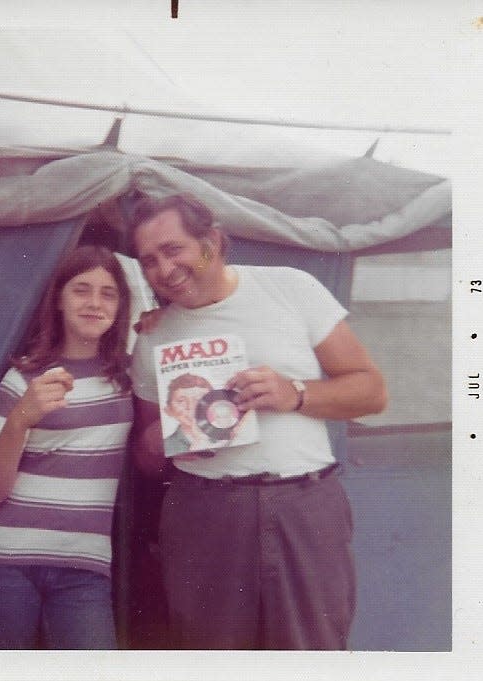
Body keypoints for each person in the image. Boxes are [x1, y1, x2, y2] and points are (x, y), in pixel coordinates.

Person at [128, 193, 388, 650]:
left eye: (173, 250)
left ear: (212, 242)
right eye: (149, 260)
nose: (164, 270)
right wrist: (158, 440)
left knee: (313, 652)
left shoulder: (291, 287)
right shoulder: (153, 335)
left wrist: (297, 394)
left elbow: (372, 391)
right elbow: (148, 460)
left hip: (303, 505)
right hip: (203, 511)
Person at [0, 245, 133, 650]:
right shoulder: (22, 378)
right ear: (58, 299)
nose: (95, 302)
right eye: (81, 289)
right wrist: (21, 417)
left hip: (84, 567)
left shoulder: (130, 377)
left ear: (120, 306)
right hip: (5, 561)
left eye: (108, 293)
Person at [162, 373, 213, 455]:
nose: (191, 406)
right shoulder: (167, 445)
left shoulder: (229, 435)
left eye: (199, 399)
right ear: (168, 410)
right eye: (181, 401)